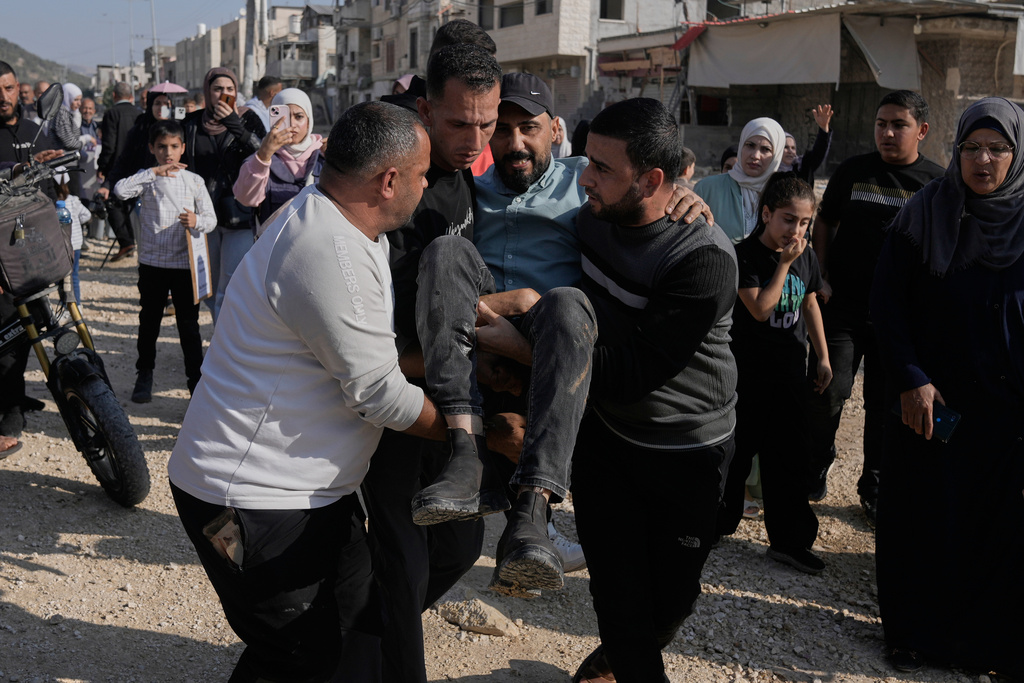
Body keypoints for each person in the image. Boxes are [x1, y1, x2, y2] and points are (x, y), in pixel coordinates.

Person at [168, 100, 440, 683]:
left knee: (354, 628)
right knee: (299, 654)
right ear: (388, 180)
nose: (427, 185)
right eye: (422, 174)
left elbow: (363, 356)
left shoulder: (339, 224)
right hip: (252, 499)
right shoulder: (327, 249)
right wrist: (469, 430)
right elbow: (379, 393)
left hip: (307, 494)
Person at [532, 98, 735, 683]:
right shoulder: (593, 215)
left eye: (602, 168)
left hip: (687, 449)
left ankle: (614, 661)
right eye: (585, 161)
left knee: (672, 600)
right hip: (607, 438)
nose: (585, 179)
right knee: (618, 595)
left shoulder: (702, 257)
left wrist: (532, 350)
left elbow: (634, 373)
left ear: (651, 180)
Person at [361, 43, 503, 683]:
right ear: (424, 110)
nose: (475, 140)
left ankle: (357, 638)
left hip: (450, 397)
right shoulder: (392, 183)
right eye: (459, 124)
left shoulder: (460, 170)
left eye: (486, 123)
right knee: (403, 552)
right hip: (394, 390)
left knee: (460, 543)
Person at [870, 97, 1024, 680]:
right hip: (933, 403)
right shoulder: (923, 215)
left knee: (999, 526)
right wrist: (910, 378)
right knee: (924, 515)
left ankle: (987, 644)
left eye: (998, 148)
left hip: (1009, 408)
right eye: (971, 148)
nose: (983, 160)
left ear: (1017, 154)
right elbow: (888, 306)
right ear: (955, 150)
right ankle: (916, 635)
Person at [807, 91, 943, 524]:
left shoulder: (937, 184)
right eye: (881, 123)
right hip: (843, 306)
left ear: (921, 131)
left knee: (885, 406)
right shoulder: (853, 171)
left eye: (899, 124)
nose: (887, 132)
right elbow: (826, 219)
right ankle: (815, 464)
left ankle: (874, 487)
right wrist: (821, 271)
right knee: (828, 389)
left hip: (898, 318)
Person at [717, 172, 831, 574]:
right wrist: (783, 265)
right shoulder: (745, 255)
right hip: (748, 379)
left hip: (789, 378)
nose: (796, 231)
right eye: (788, 219)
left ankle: (790, 541)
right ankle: (715, 524)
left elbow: (810, 302)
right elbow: (761, 309)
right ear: (766, 214)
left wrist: (822, 357)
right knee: (734, 456)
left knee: (790, 459)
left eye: (804, 223)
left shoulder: (806, 256)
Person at [113, 120, 216, 401]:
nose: (167, 153)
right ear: (151, 148)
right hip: (152, 264)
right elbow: (120, 190)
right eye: (161, 147)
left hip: (185, 266)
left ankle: (196, 382)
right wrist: (152, 172)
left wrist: (196, 221)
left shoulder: (194, 181)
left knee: (188, 326)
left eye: (173, 146)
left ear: (182, 148)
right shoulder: (146, 179)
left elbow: (211, 219)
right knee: (149, 322)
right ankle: (144, 374)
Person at [0, 61, 58, 439]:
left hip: (32, 243)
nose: (2, 97)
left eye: (7, 88)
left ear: (17, 87)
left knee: (31, 320)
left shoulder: (34, 131)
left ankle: (16, 393)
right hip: (0, 248)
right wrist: (21, 168)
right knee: (7, 326)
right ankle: (9, 409)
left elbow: (48, 185)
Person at [180, 67, 264, 323]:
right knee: (209, 285)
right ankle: (222, 332)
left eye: (230, 89)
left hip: (239, 215)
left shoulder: (248, 120)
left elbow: (263, 153)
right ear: (207, 92)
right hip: (204, 216)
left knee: (230, 286)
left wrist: (235, 125)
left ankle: (222, 342)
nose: (224, 94)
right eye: (217, 89)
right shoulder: (191, 124)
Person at [232, 88, 323, 231]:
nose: (292, 123)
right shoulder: (260, 159)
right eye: (284, 117)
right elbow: (245, 198)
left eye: (299, 116)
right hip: (273, 244)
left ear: (309, 121)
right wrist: (263, 156)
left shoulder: (324, 156)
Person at [695, 117, 785, 243]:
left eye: (766, 149)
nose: (755, 155)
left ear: (776, 155)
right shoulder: (707, 188)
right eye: (750, 145)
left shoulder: (782, 195)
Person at [97, 82, 142, 261]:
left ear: (114, 95)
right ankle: (130, 242)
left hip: (117, 166)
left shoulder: (111, 114)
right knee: (129, 205)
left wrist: (102, 166)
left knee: (112, 203)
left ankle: (126, 242)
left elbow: (109, 143)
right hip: (137, 167)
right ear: (131, 96)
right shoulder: (138, 114)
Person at [54, 169, 93, 305]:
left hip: (60, 246)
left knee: (61, 277)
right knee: (74, 276)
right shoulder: (74, 200)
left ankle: (65, 304)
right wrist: (77, 222)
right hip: (75, 245)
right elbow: (87, 215)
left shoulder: (52, 204)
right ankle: (77, 305)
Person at [780, 104, 833, 184]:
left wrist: (824, 128)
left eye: (793, 148)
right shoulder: (768, 171)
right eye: (786, 147)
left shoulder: (803, 166)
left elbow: (819, 151)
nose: (790, 151)